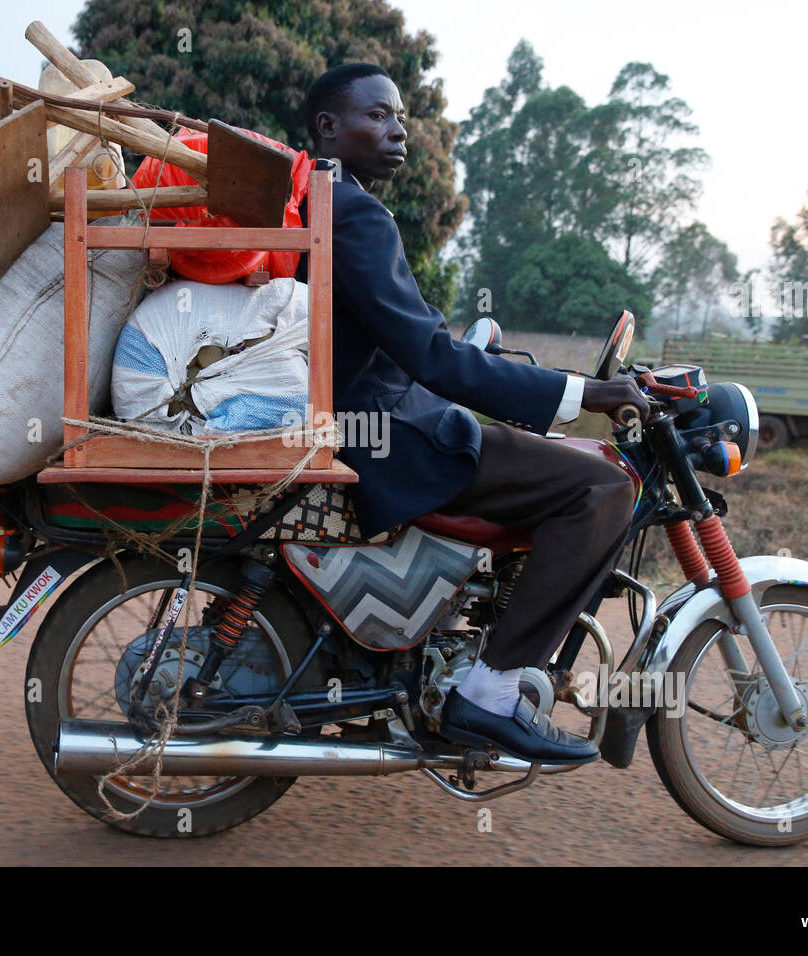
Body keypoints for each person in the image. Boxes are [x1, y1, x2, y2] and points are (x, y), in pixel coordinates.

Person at [296, 64, 646, 764]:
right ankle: (488, 694)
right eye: (379, 115)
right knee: (603, 488)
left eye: (402, 116)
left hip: (367, 413)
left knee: (536, 459)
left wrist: (488, 359)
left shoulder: (326, 197)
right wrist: (583, 395)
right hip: (386, 432)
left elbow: (405, 336)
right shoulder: (353, 210)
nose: (399, 129)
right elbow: (426, 356)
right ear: (329, 127)